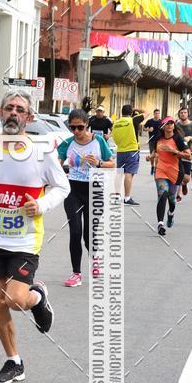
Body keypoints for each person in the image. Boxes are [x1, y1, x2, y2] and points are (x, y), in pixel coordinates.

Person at [0, 91, 69, 383]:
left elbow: (62, 187)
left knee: (15, 299)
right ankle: (14, 361)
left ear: (29, 117)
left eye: (20, 109)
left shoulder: (41, 152)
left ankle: (37, 298)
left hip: (24, 240)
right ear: (0, 112)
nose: (13, 113)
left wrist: (42, 204)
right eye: (9, 108)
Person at [57, 109, 115, 287]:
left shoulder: (98, 141)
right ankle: (76, 273)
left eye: (80, 127)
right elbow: (56, 166)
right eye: (72, 127)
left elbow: (112, 164)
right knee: (75, 232)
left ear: (87, 125)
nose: (76, 131)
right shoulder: (67, 143)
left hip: (94, 190)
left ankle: (95, 261)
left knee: (89, 234)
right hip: (73, 190)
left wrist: (98, 163)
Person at [148, 116, 191, 236]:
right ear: (163, 126)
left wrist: (174, 150)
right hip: (161, 170)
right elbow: (155, 152)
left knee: (172, 200)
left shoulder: (178, 139)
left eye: (172, 123)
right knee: (162, 194)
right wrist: (150, 157)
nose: (170, 125)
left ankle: (171, 214)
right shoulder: (158, 138)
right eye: (167, 123)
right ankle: (160, 224)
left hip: (175, 171)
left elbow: (189, 156)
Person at [111, 104, 142, 205]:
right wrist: (136, 109)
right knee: (129, 173)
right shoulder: (133, 120)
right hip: (132, 150)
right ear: (131, 112)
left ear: (122, 112)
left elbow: (114, 137)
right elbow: (147, 113)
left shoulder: (116, 123)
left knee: (119, 174)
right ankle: (127, 198)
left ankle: (116, 196)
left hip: (120, 150)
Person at [175, 107, 192, 200]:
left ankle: (184, 184)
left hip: (189, 154)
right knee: (178, 174)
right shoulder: (176, 125)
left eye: (185, 112)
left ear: (188, 114)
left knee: (186, 178)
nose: (183, 114)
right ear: (179, 114)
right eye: (181, 113)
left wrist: (190, 138)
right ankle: (177, 195)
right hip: (178, 153)